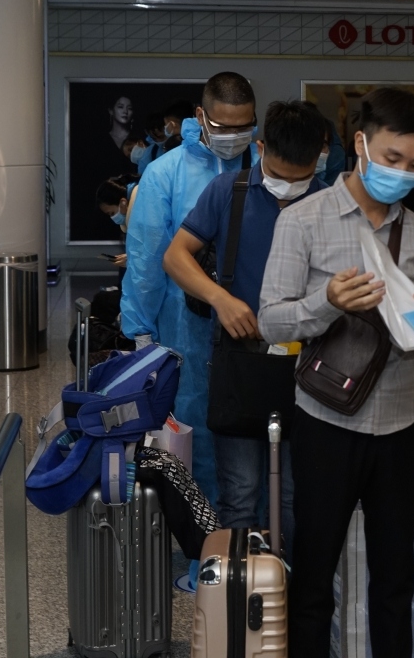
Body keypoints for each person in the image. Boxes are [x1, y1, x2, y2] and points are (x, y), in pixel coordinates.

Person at [258, 88, 414, 658]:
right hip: (326, 419)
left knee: (395, 573)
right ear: (361, 144)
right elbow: (272, 323)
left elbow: (408, 330)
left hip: (401, 420)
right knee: (316, 571)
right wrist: (327, 301)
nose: (403, 174)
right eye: (392, 159)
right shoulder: (303, 221)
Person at [163, 100, 328, 562]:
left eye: (301, 177)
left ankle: (292, 596)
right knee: (240, 491)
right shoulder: (227, 192)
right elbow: (176, 257)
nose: (290, 187)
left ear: (321, 157)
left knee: (298, 494)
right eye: (280, 174)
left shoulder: (331, 202)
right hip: (241, 362)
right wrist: (220, 297)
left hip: (309, 370)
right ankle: (237, 600)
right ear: (260, 149)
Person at [121, 71, 261, 504]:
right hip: (184, 324)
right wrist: (140, 330)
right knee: (191, 431)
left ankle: (249, 533)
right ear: (200, 116)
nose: (234, 136)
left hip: (254, 326)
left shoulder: (263, 166)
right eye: (222, 127)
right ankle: (201, 540)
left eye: (245, 126)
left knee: (253, 433)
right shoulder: (166, 175)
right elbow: (146, 258)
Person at [96, 175, 139, 270]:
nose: (112, 218)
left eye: (112, 213)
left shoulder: (143, 217)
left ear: (123, 203)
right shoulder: (135, 217)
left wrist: (134, 260)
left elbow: (154, 254)